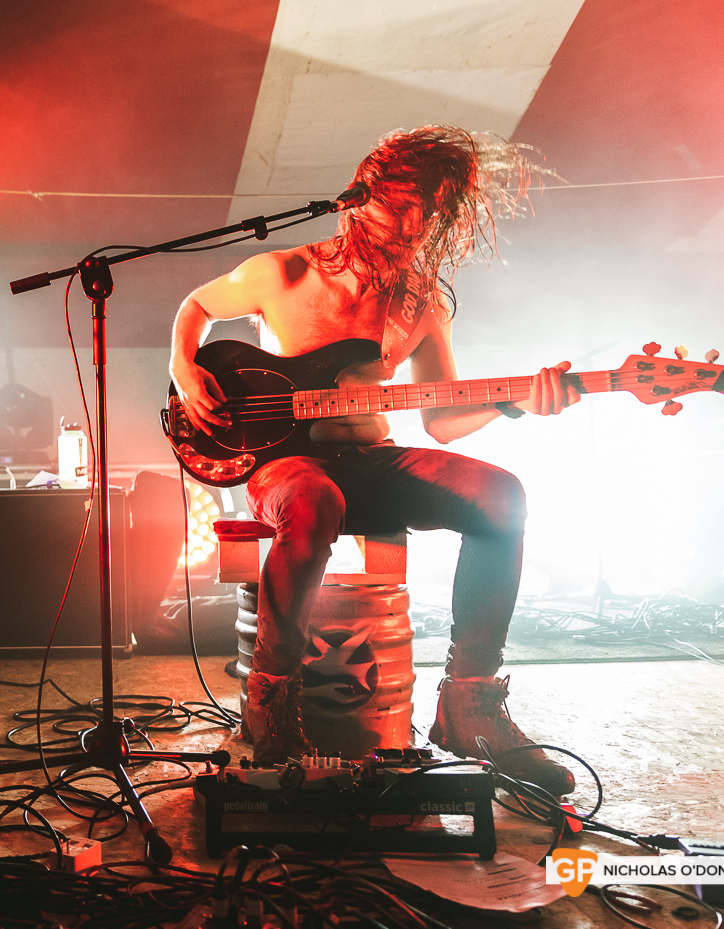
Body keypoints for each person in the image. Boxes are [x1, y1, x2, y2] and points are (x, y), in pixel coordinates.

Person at [169, 126, 579, 795]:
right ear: (361, 200)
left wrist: (514, 403)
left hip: (374, 459)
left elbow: (443, 419)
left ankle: (469, 707)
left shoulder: (423, 300)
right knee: (313, 500)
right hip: (289, 464)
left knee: (503, 495)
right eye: (400, 212)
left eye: (429, 218)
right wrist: (186, 372)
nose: (412, 231)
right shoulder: (286, 270)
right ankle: (268, 715)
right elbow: (198, 307)